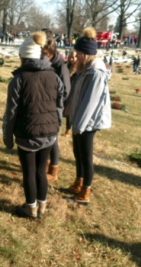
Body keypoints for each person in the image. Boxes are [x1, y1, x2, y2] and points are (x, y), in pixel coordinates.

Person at [3, 31, 64, 219]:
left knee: (29, 172)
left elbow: (11, 112)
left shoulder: (19, 79)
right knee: (40, 172)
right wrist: (56, 128)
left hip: (27, 134)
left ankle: (31, 208)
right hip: (48, 133)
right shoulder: (54, 77)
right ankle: (42, 206)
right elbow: (59, 106)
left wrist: (8, 137)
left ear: (23, 57)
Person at [67, 27, 112, 205]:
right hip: (79, 119)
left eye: (78, 53)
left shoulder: (95, 73)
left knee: (86, 155)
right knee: (77, 152)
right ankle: (78, 182)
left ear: (86, 54)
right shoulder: (83, 70)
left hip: (89, 121)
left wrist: (79, 124)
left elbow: (91, 102)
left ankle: (86, 191)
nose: (76, 56)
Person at [41, 37, 71, 182]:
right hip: (45, 107)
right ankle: (45, 165)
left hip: (55, 108)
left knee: (53, 139)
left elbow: (65, 91)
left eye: (46, 53)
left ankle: (54, 169)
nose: (43, 55)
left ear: (53, 52)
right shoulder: (47, 63)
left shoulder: (61, 67)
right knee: (46, 137)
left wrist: (53, 102)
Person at [64, 51, 77, 136]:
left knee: (70, 111)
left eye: (73, 57)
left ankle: (69, 130)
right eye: (70, 57)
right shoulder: (67, 66)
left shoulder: (78, 68)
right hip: (66, 90)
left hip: (73, 91)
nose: (71, 59)